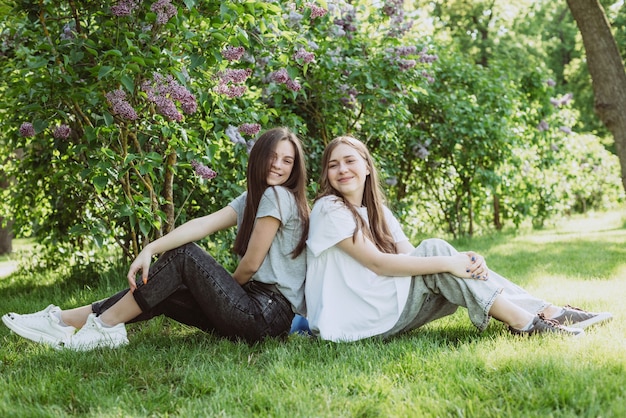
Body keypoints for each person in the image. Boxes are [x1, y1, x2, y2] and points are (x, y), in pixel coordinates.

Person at [3, 127, 310, 350]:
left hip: (265, 314)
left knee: (184, 255)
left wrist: (221, 291)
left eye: (287, 161)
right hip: (261, 319)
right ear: (258, 157)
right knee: (164, 285)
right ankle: (63, 321)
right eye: (272, 156)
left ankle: (104, 326)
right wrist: (151, 248)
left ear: (295, 168)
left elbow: (251, 264)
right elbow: (203, 224)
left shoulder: (278, 196)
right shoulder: (254, 197)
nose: (278, 165)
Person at [304, 135, 612, 342]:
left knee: (437, 254)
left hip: (382, 306)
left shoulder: (377, 211)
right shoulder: (328, 209)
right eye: (333, 165)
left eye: (349, 161)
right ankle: (528, 322)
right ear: (327, 174)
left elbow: (411, 255)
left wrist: (465, 262)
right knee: (437, 251)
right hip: (354, 320)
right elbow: (379, 264)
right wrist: (452, 261)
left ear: (367, 168)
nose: (342, 169)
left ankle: (546, 313)